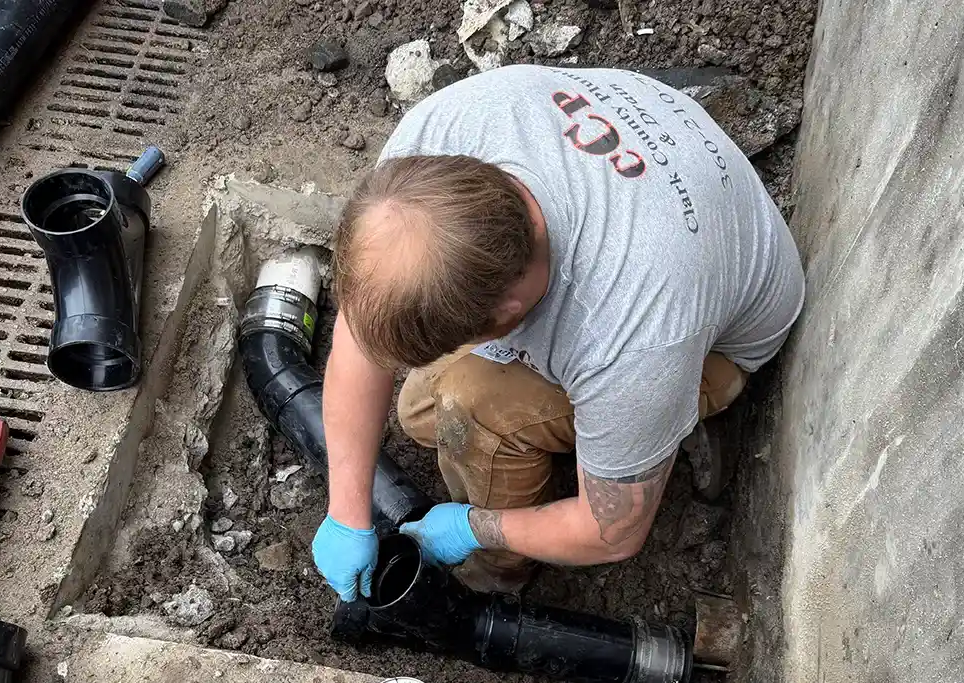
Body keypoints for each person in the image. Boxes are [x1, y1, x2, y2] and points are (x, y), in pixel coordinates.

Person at [311, 64, 805, 601]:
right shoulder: (426, 165)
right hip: (666, 205)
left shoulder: (632, 331)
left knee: (469, 413)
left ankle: (497, 575)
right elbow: (364, 327)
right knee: (420, 412)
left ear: (507, 313)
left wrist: (471, 529)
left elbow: (612, 533)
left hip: (716, 346)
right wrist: (347, 513)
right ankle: (622, 440)